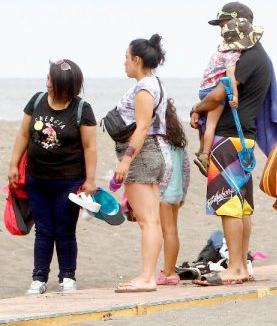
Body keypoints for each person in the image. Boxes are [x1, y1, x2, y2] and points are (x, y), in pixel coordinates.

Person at [190, 2, 273, 286]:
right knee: (241, 206)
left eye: (225, 24)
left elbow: (218, 94)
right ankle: (242, 265)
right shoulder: (255, 56)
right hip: (243, 137)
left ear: (242, 24)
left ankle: (235, 266)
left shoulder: (246, 57)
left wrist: (197, 108)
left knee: (227, 205)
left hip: (229, 138)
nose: (223, 30)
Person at [7, 59, 97, 295]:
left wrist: (90, 180)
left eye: (52, 81)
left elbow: (90, 147)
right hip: (37, 178)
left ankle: (67, 277)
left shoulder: (81, 109)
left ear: (66, 85)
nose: (47, 84)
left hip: (69, 181)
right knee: (43, 230)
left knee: (65, 229)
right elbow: (23, 135)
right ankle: (39, 279)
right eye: (47, 79)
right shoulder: (36, 101)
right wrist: (13, 164)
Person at [113, 34, 168, 293]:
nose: (124, 63)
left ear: (136, 59)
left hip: (142, 154)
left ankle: (147, 277)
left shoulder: (144, 88)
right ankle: (149, 275)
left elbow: (143, 127)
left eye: (126, 57)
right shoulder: (154, 82)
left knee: (147, 221)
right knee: (152, 220)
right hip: (152, 153)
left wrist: (125, 161)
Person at [193, 17, 256, 174]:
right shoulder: (232, 55)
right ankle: (204, 155)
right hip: (213, 89)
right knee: (211, 125)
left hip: (204, 88)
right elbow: (230, 77)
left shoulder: (219, 51)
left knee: (206, 121)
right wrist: (234, 96)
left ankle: (201, 149)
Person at [156, 99, 190, 286]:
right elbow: (186, 169)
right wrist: (183, 194)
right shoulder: (177, 142)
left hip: (164, 194)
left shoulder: (158, 142)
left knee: (167, 232)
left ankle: (169, 272)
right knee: (172, 232)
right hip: (176, 194)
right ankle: (169, 269)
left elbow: (163, 168)